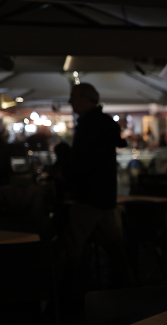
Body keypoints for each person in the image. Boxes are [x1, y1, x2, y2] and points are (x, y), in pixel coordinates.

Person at [60, 83, 132, 290]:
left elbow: (83, 161)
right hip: (104, 194)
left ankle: (68, 292)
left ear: (85, 99)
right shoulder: (103, 123)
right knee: (113, 245)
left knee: (73, 244)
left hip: (88, 194)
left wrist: (66, 173)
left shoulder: (88, 125)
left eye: (73, 97)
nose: (70, 101)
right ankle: (126, 288)